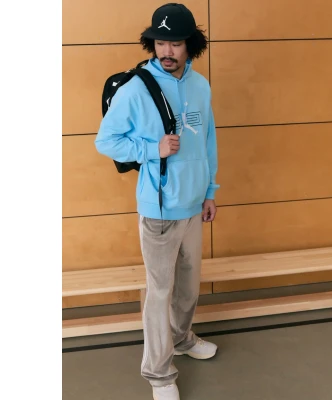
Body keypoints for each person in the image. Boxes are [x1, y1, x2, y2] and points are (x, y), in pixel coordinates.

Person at [95, 3, 220, 399]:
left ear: (190, 46)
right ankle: (160, 375)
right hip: (159, 209)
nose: (167, 51)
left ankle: (181, 339)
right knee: (160, 292)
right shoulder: (135, 89)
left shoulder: (200, 86)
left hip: (194, 206)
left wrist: (210, 191)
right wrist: (153, 149)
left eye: (176, 43)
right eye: (161, 42)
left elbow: (208, 141)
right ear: (152, 44)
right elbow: (106, 141)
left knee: (188, 289)